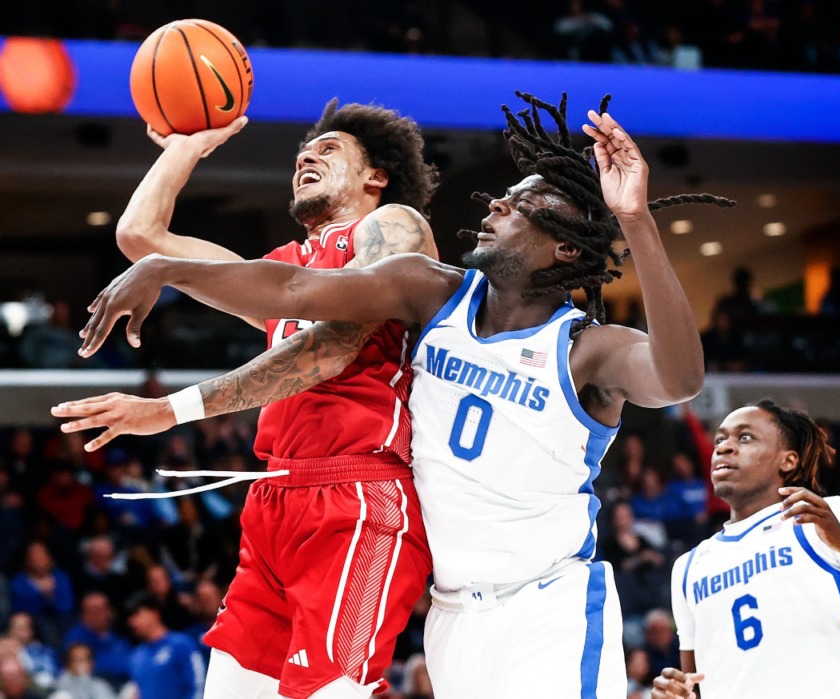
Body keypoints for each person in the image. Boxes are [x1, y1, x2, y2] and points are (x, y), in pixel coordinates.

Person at [57, 91, 734, 697]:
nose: (496, 203)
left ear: (563, 249)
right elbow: (266, 282)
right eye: (503, 194)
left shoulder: (582, 343)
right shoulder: (433, 292)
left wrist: (637, 220)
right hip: (446, 606)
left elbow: (680, 379)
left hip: (535, 595)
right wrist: (170, 221)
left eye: (523, 205)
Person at [61, 99, 440, 699]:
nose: (305, 156)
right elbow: (140, 236)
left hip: (358, 497)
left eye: (328, 149)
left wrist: (170, 409)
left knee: (328, 692)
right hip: (275, 500)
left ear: (377, 175)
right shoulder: (285, 268)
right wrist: (186, 148)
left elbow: (334, 347)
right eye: (302, 153)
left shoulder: (393, 227)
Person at [651, 400, 840, 699]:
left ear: (788, 461)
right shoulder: (689, 567)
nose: (724, 447)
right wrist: (675, 693)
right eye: (720, 439)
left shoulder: (829, 518)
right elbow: (694, 687)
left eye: (745, 437)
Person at [125, 593, 205, 699]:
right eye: (130, 617)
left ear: (154, 613)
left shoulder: (181, 644)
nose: (132, 622)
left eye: (136, 614)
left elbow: (198, 683)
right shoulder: (136, 655)